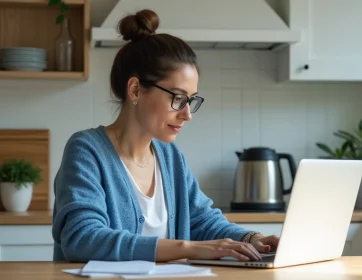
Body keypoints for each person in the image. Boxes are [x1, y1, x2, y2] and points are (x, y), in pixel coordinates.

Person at [51, 9, 279, 263]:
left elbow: (202, 221)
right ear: (136, 90)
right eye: (178, 98)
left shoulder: (170, 158)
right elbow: (83, 239)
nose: (187, 114)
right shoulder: (87, 150)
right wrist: (186, 247)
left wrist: (250, 238)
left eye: (191, 100)